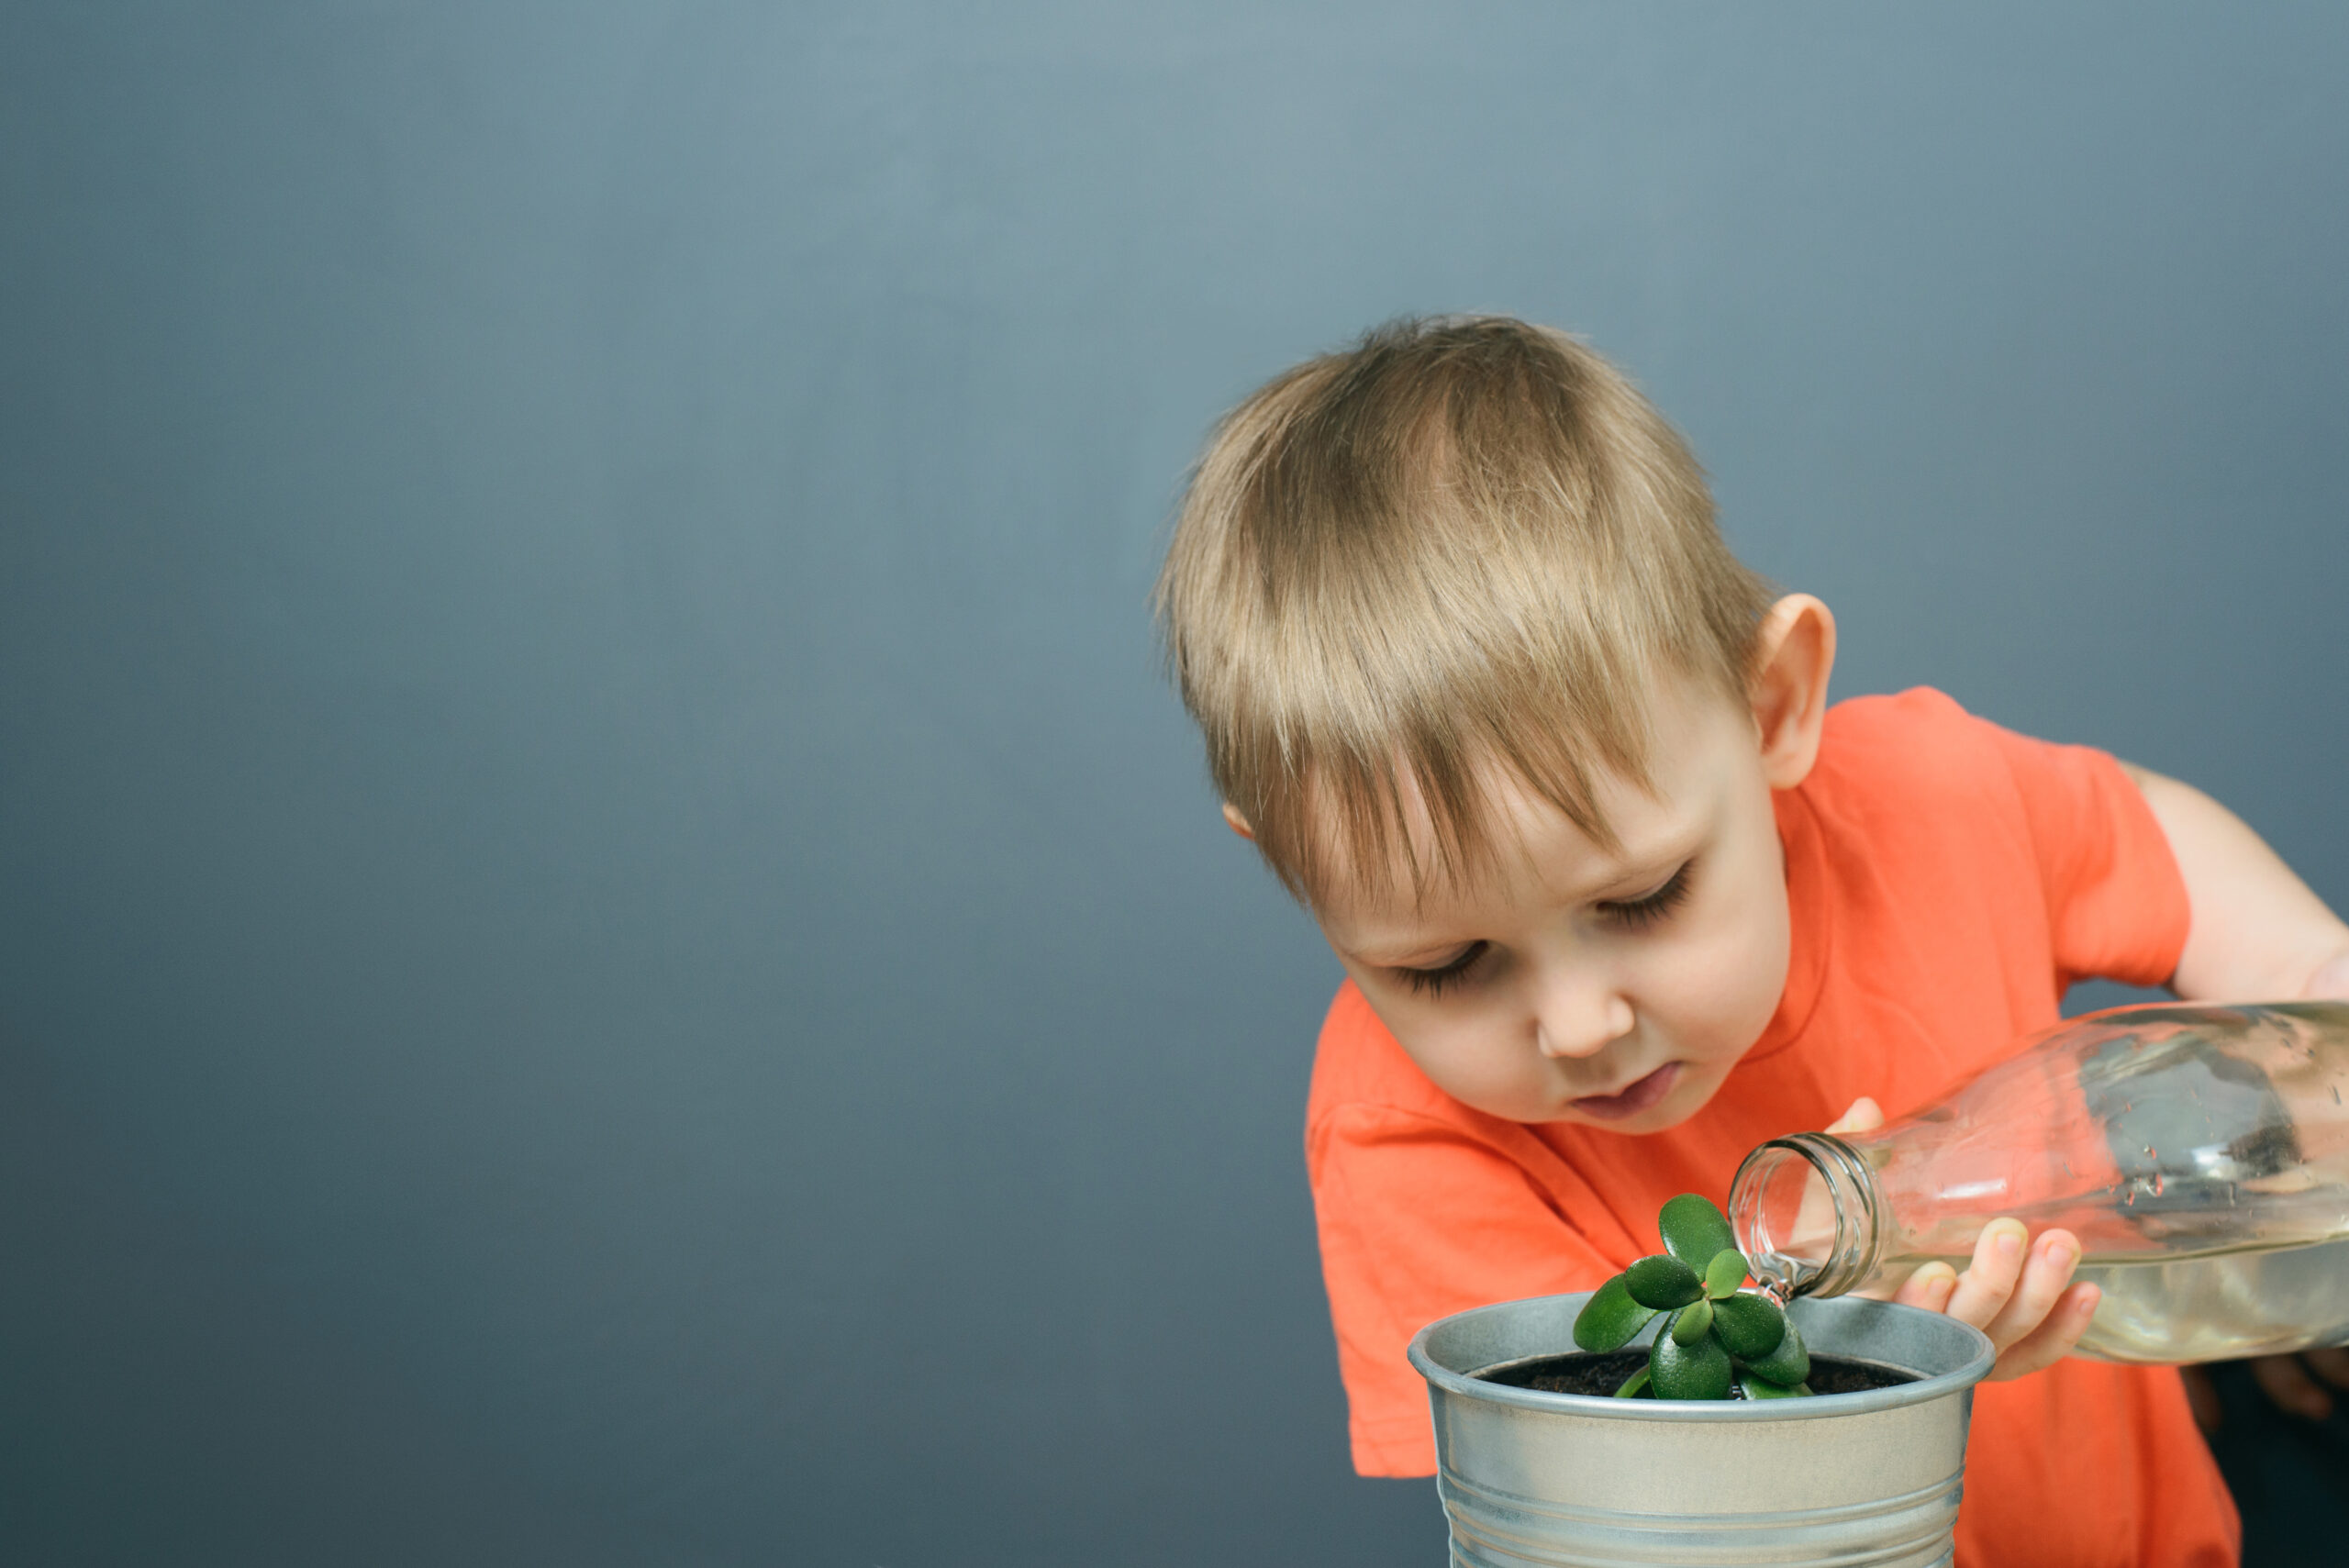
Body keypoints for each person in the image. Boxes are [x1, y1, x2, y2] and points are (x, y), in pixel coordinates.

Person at [1152, 316, 2349, 1567]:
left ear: (1772, 707)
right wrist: (1864, 1364)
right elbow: (1608, 1514)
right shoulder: (1407, 1130)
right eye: (1445, 966)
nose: (1579, 1025)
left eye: (1643, 897)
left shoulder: (1924, 799)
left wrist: (2310, 981)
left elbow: (2144, 833)